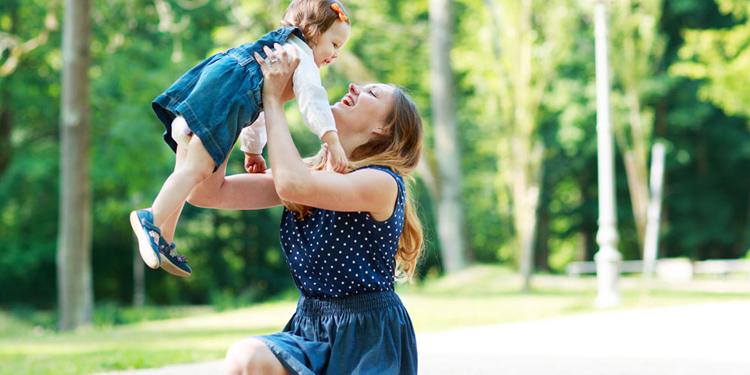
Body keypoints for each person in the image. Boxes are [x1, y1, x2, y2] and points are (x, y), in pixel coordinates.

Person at [186, 44, 424, 375]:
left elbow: (293, 185)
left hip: (368, 339)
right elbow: (206, 192)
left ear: (382, 129)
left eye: (372, 93)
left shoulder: (382, 183)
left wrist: (272, 99)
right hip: (310, 330)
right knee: (246, 357)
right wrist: (232, 105)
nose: (354, 87)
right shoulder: (307, 175)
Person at [130, 0, 351, 277]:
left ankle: (165, 238)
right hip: (220, 103)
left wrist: (252, 150)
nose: (336, 54)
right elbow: (313, 100)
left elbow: (255, 106)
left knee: (185, 170)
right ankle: (149, 218)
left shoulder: (276, 52)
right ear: (312, 31)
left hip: (206, 93)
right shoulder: (299, 55)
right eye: (334, 44)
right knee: (195, 171)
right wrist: (331, 140)